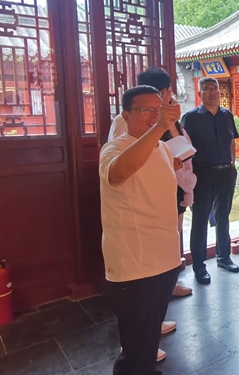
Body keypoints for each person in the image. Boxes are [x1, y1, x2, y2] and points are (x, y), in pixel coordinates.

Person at [100, 86, 181, 374]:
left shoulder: (162, 148)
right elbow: (119, 172)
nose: (154, 116)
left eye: (159, 110)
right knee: (136, 345)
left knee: (149, 338)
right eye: (146, 110)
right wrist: (159, 128)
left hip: (164, 255)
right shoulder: (114, 148)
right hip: (135, 260)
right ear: (125, 115)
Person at [108, 68, 194, 299]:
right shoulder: (124, 122)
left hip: (168, 190)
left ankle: (168, 283)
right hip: (139, 199)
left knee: (170, 236)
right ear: (165, 91)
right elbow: (122, 162)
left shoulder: (166, 121)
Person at [182, 77, 239, 285]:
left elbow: (232, 142)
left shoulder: (227, 115)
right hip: (204, 174)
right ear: (200, 94)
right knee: (200, 220)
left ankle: (224, 257)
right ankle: (199, 266)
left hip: (226, 173)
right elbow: (184, 148)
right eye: (206, 89)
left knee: (223, 216)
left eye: (214, 88)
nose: (212, 92)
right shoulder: (190, 118)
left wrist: (232, 165)